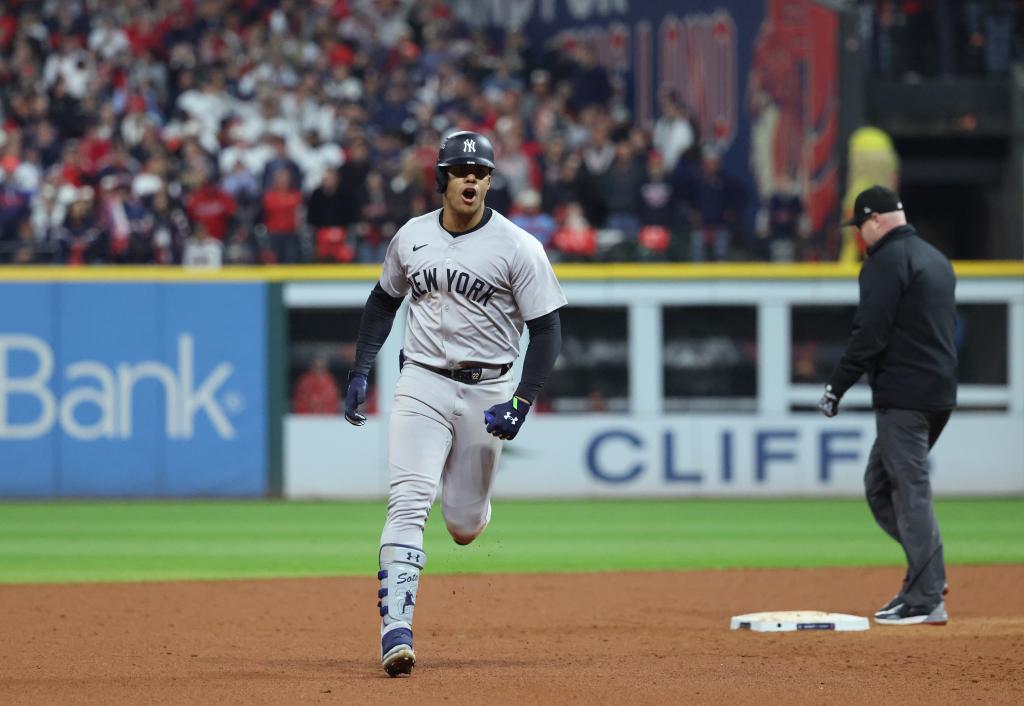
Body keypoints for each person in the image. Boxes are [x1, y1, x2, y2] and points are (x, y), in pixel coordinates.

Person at [344, 130, 566, 677]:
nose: (472, 178)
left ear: (490, 180)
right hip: (420, 379)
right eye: (461, 170)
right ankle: (396, 630)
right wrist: (361, 368)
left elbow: (547, 330)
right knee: (408, 501)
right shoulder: (412, 236)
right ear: (442, 178)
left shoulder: (518, 246)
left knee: (464, 525)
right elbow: (382, 302)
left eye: (482, 171)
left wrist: (521, 400)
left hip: (488, 389)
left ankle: (471, 502)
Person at [818, 185, 957, 626]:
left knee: (908, 489)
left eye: (861, 226)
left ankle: (925, 596)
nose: (860, 235)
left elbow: (870, 333)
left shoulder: (885, 261)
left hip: (904, 397)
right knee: (881, 485)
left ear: (875, 219)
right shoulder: (935, 259)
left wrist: (836, 386)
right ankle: (926, 577)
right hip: (938, 395)